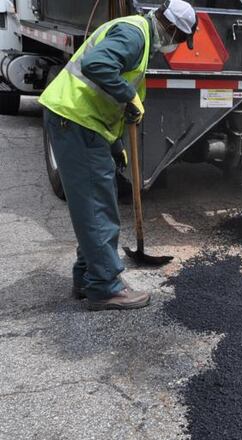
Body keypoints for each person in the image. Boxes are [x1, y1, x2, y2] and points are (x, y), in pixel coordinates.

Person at [38, 0, 197, 311]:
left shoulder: (141, 38)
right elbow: (96, 65)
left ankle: (88, 277)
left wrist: (116, 145)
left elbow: (109, 95)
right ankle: (105, 288)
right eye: (181, 39)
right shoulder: (134, 35)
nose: (178, 46)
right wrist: (128, 97)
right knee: (98, 208)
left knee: (95, 205)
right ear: (173, 28)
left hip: (85, 124)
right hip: (76, 121)